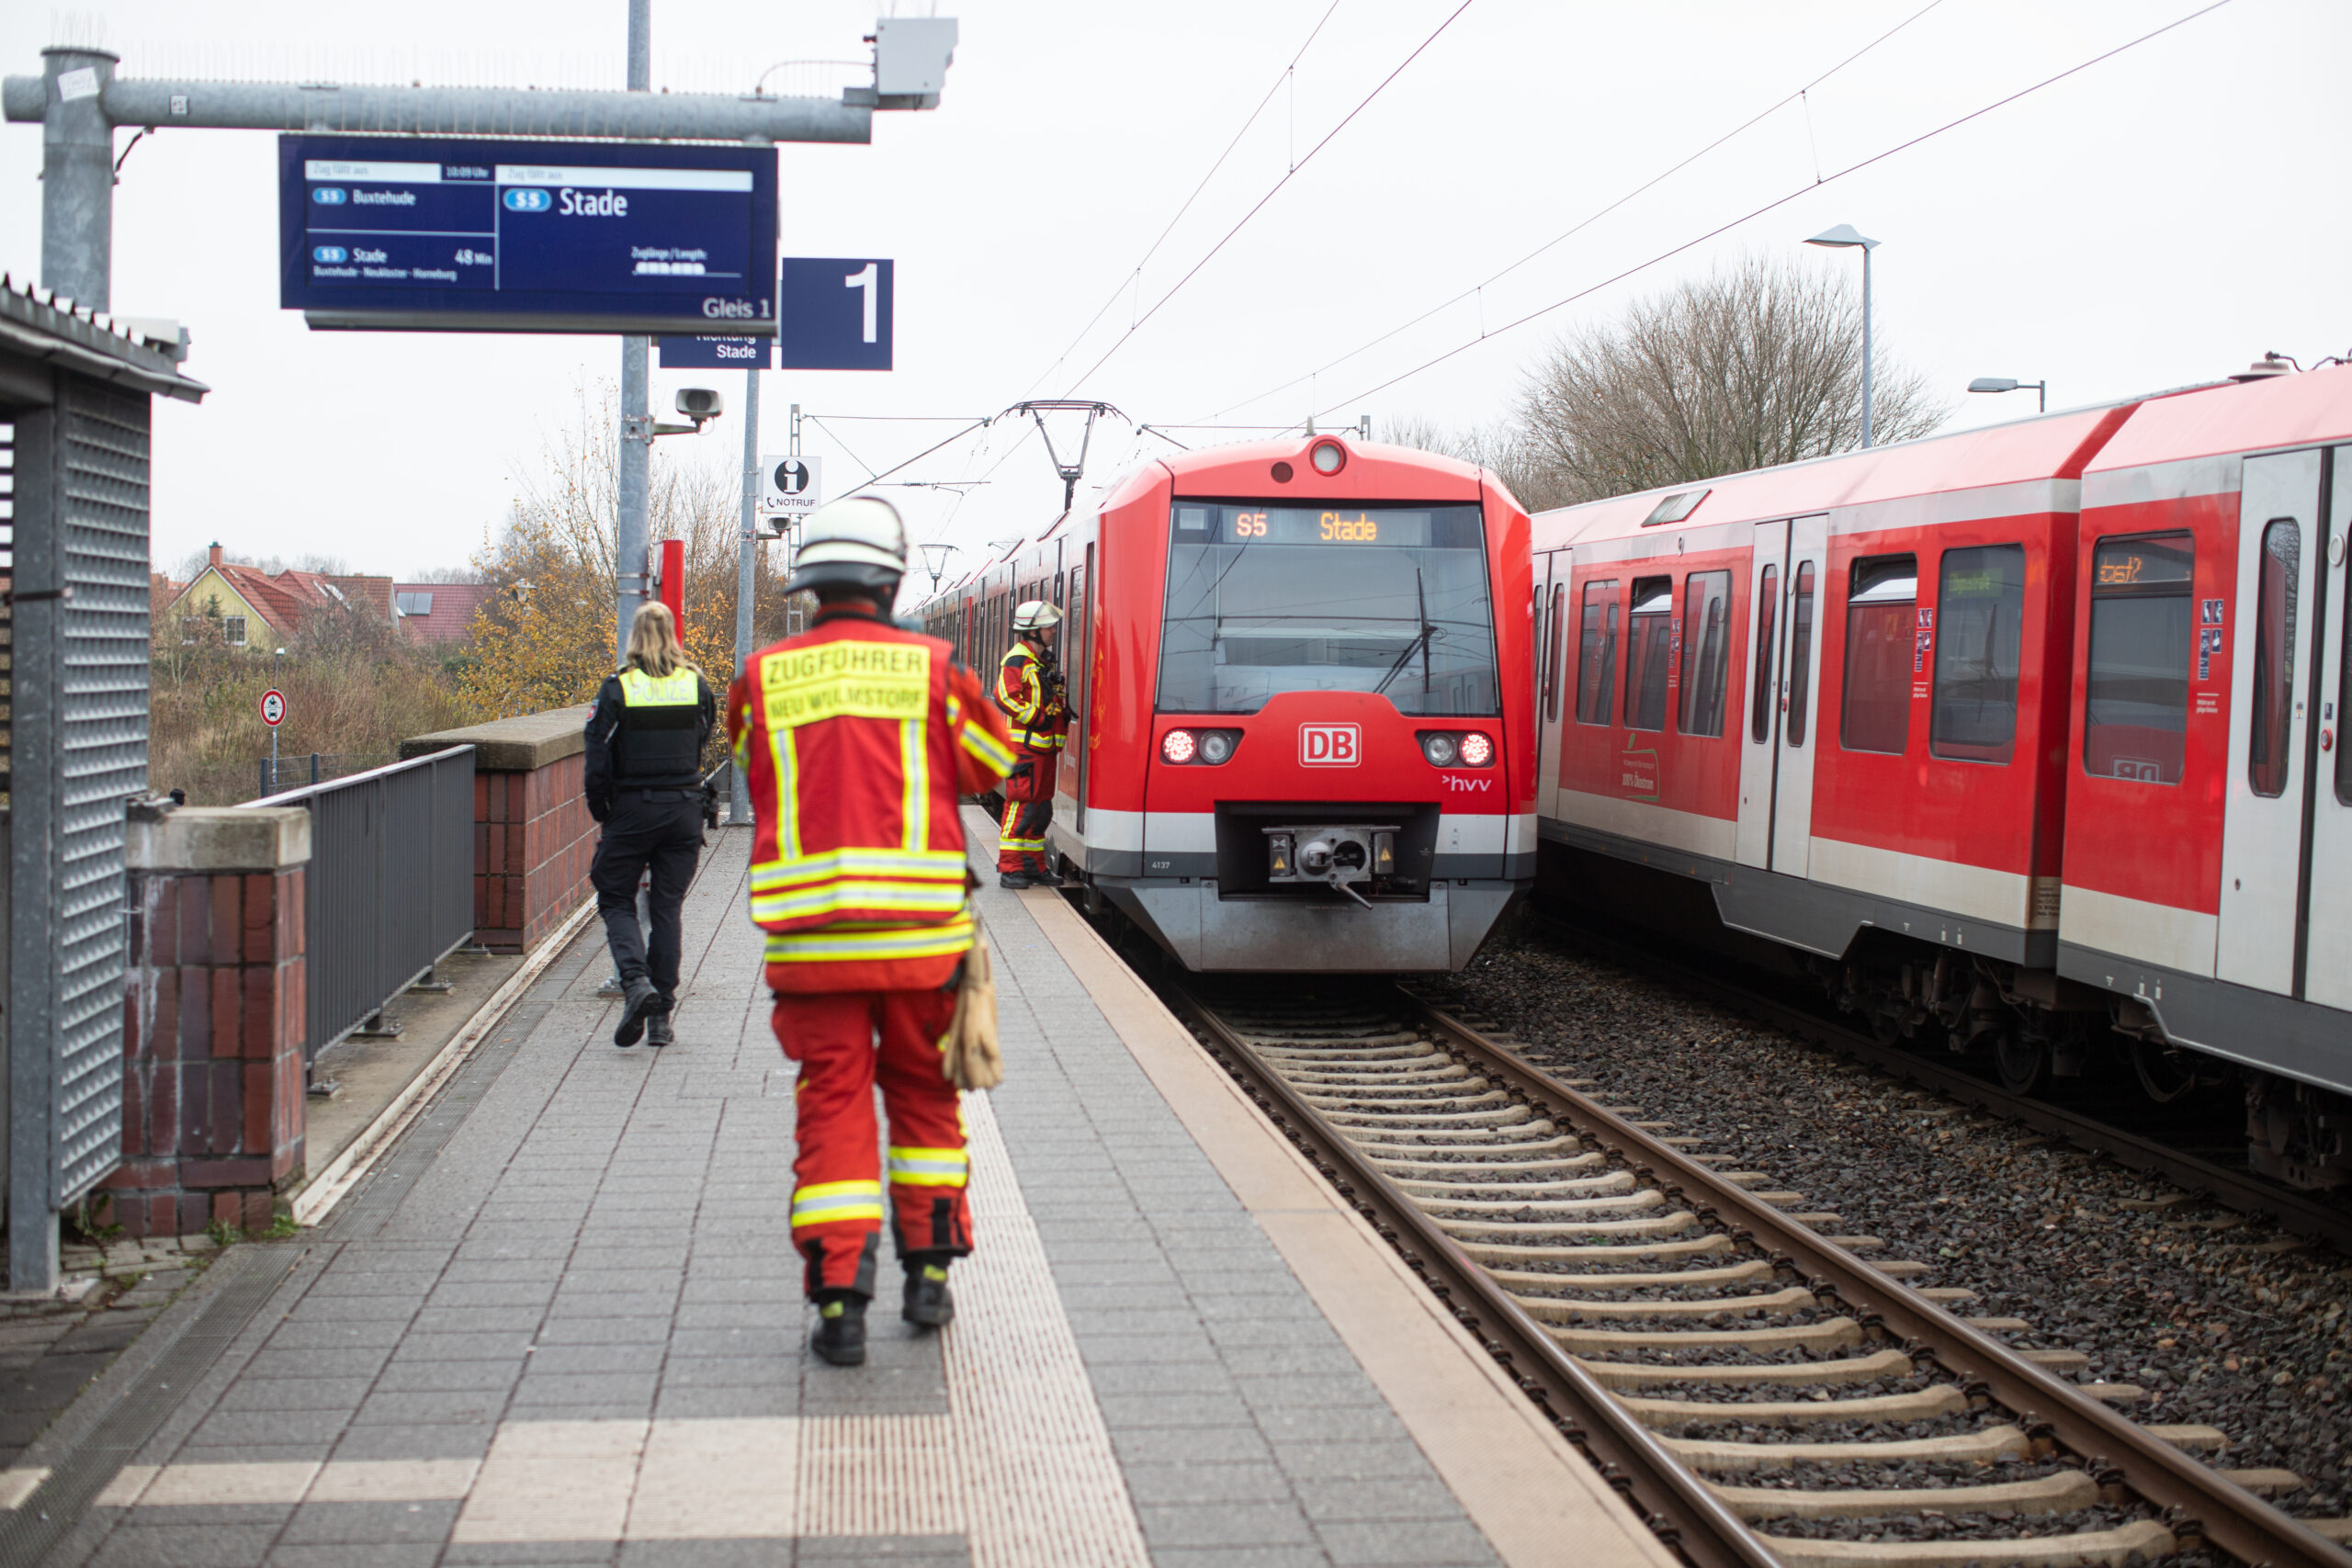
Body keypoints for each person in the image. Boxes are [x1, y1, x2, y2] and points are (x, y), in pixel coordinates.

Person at [727, 496, 1015, 1367]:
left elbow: (752, 763)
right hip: (921, 944)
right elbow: (995, 763)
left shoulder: (763, 676)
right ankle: (928, 1280)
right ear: (890, 580)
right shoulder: (935, 670)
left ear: (808, 585)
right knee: (926, 1101)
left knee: (832, 1107)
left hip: (812, 950)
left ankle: (840, 1306)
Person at [584, 601, 718, 1049]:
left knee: (615, 898)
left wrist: (602, 809)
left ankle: (636, 983)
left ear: (635, 636)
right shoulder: (695, 684)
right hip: (683, 809)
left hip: (632, 810)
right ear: (672, 634)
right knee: (666, 907)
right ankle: (661, 1015)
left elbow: (597, 755)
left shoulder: (618, 687)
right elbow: (705, 736)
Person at [994, 600, 1069, 889]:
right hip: (1025, 749)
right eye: (1049, 626)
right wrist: (1037, 718)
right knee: (1021, 807)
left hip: (1044, 749)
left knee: (1040, 811)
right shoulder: (1017, 659)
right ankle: (1009, 869)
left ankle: (1033, 866)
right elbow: (1004, 696)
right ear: (1034, 631)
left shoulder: (1040, 661)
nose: (1053, 631)